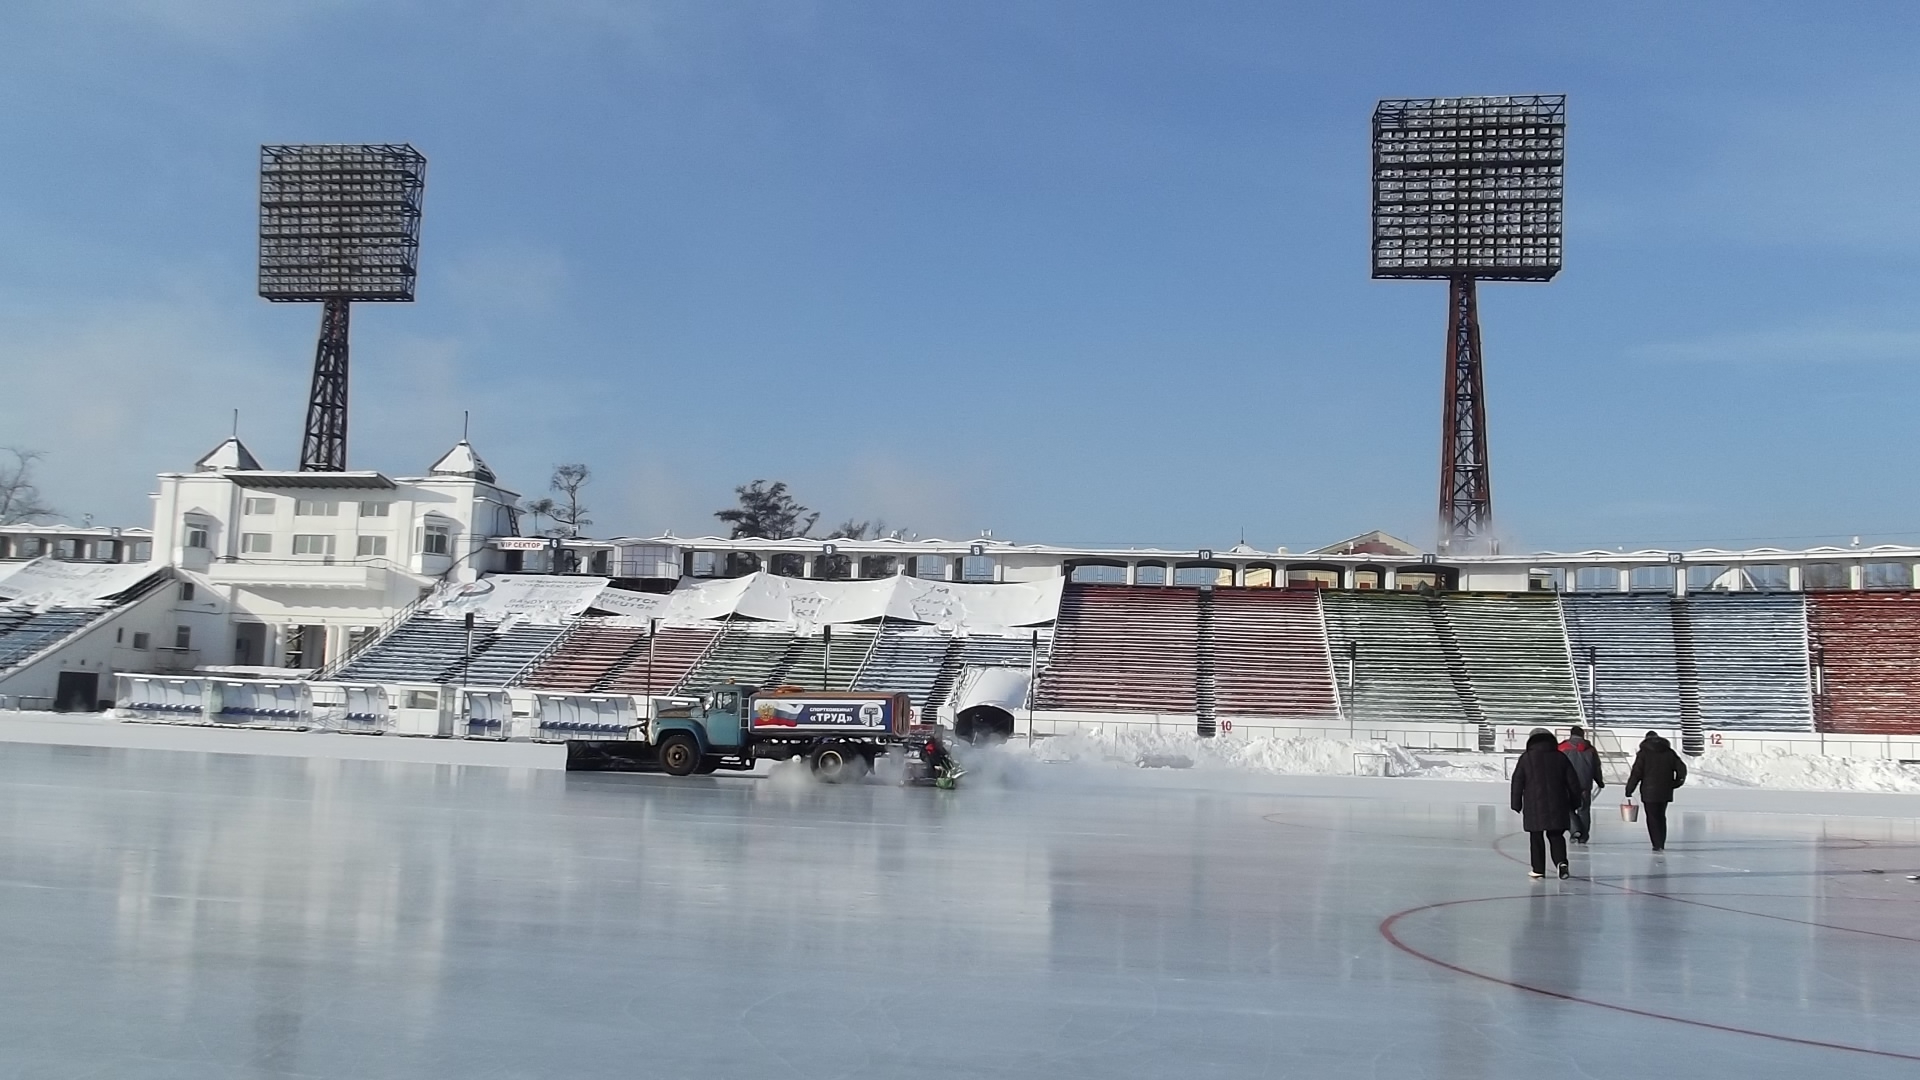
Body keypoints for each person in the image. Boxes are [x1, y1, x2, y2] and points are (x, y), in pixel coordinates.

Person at [1510, 728, 1583, 879]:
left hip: (1534, 804)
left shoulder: (1526, 758)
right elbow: (1573, 782)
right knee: (1556, 835)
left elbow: (1517, 781)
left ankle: (1538, 869)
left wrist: (1516, 803)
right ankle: (1561, 862)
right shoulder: (1560, 757)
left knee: (1536, 836)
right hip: (1558, 802)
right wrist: (1575, 802)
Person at [1624, 731, 1687, 852]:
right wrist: (1676, 782)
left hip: (1649, 791)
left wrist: (1629, 789)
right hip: (1665, 790)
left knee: (1652, 817)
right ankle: (1661, 842)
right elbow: (1681, 768)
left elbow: (1636, 773)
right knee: (1661, 816)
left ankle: (1656, 843)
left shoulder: (1643, 753)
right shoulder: (1669, 752)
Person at [1558, 725, 1605, 844]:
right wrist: (1599, 781)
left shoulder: (1563, 747)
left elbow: (1556, 765)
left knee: (1566, 808)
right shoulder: (1590, 749)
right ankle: (1583, 835)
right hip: (1585, 784)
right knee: (1584, 810)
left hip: (1567, 784)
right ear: (1582, 735)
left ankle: (1575, 829)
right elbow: (1596, 767)